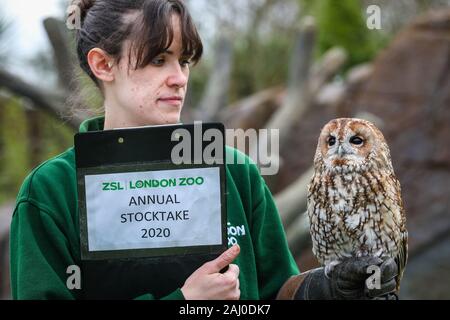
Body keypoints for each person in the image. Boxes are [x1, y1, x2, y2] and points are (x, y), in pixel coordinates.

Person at [9, 0, 398, 300]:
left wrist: (323, 289)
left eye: (185, 60)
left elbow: (274, 291)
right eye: (159, 60)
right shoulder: (50, 191)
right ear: (103, 65)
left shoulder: (236, 171)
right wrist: (186, 300)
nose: (178, 78)